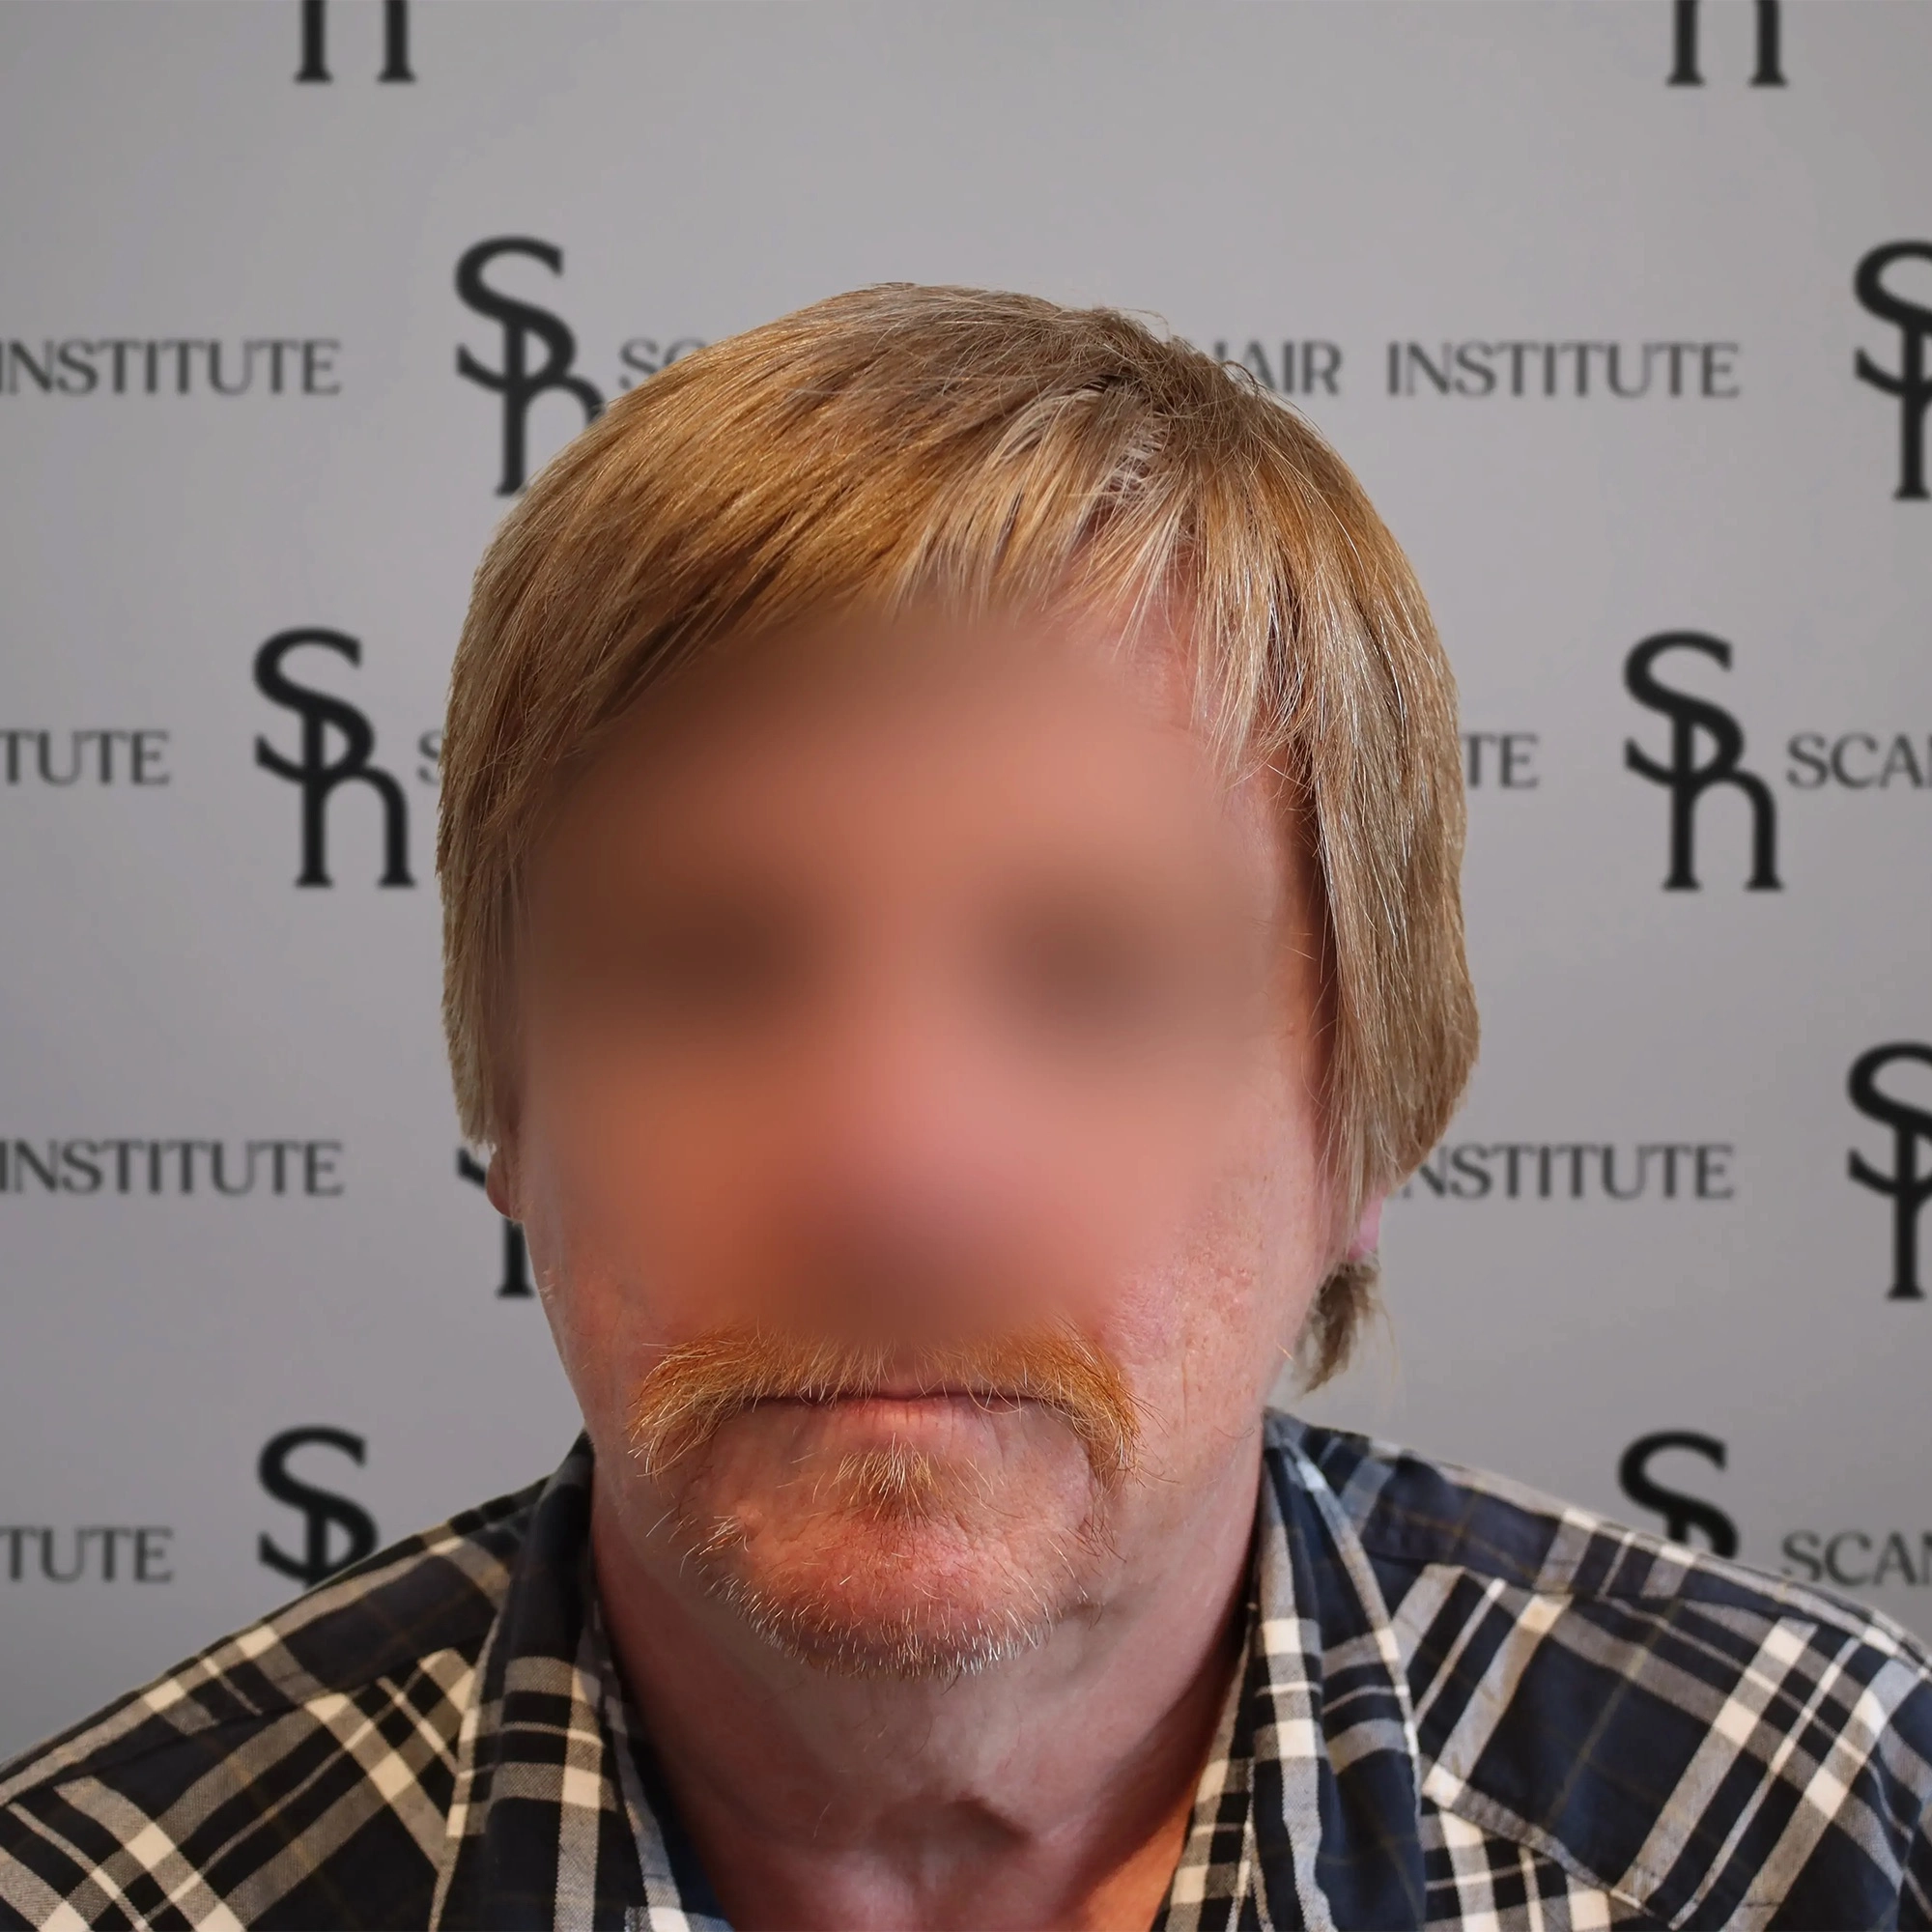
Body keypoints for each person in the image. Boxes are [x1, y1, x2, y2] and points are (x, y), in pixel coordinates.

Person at [3, 285, 1927, 1932]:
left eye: (1093, 983)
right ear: (511, 1108)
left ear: (1367, 1121)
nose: (893, 1170)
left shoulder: (1830, 1842)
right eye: (710, 971)